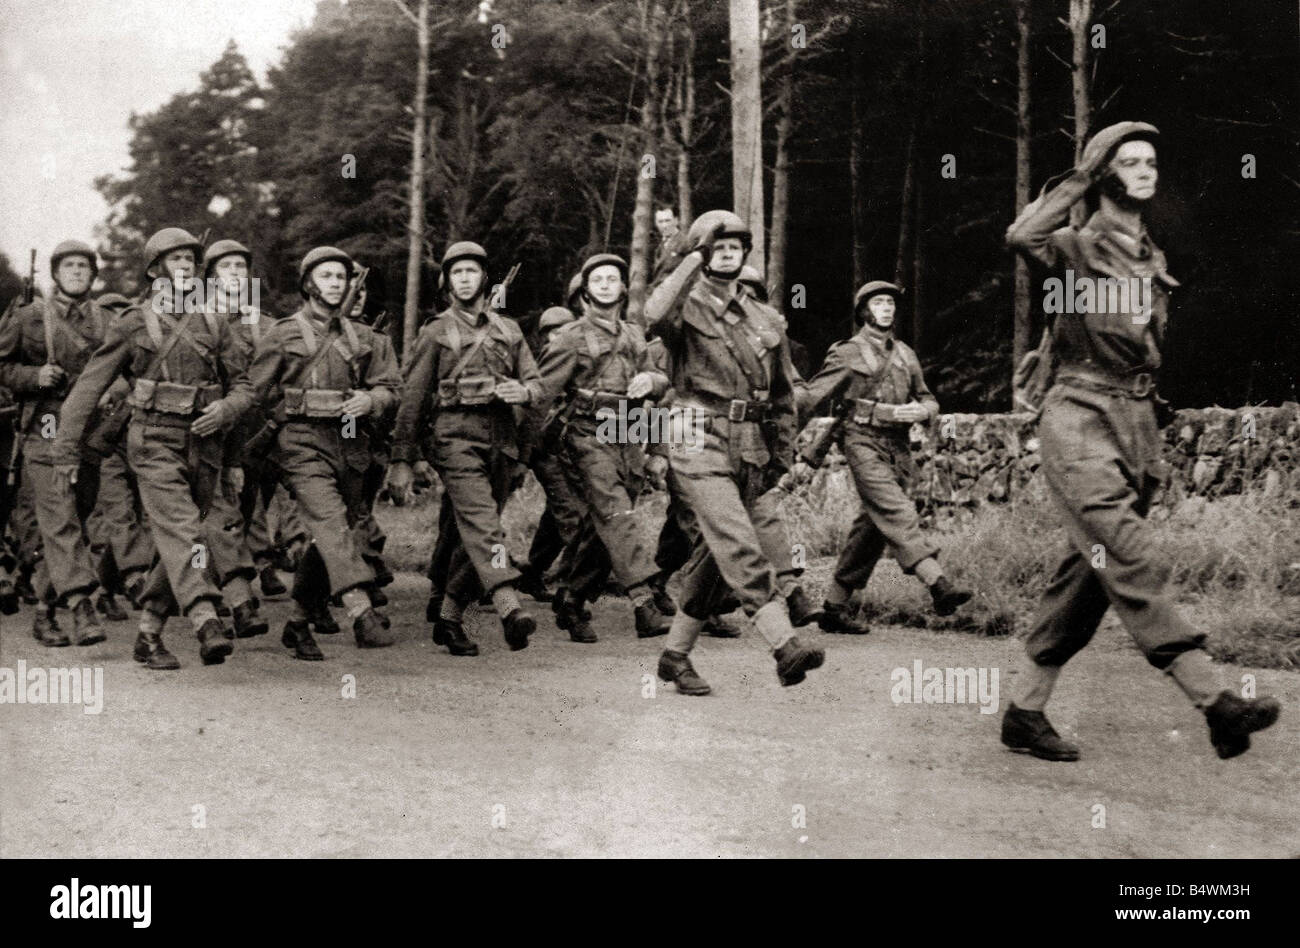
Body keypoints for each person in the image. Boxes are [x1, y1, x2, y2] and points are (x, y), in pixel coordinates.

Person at [1003, 120, 1280, 760]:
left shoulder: (1151, 257)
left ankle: (1024, 711)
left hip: (1134, 424)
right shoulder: (1071, 246)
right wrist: (1078, 174)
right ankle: (1214, 700)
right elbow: (1022, 233)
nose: (1147, 170)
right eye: (1129, 161)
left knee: (1088, 575)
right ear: (1105, 173)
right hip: (1078, 417)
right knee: (1128, 555)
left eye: (1151, 160)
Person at [54, 227, 257, 669]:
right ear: (155, 270)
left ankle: (148, 634)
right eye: (175, 260)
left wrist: (225, 410)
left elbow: (244, 386)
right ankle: (205, 617)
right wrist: (67, 451)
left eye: (190, 261)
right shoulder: (130, 322)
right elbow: (87, 390)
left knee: (184, 536)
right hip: (151, 441)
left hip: (204, 444)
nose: (185, 267)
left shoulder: (214, 322)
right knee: (184, 530)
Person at [645, 210, 825, 695]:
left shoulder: (765, 318)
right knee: (736, 538)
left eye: (734, 246)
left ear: (746, 253)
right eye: (716, 245)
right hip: (693, 432)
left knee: (712, 556)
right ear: (703, 252)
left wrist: (781, 457)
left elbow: (785, 394)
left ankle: (674, 656)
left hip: (748, 443)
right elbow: (654, 315)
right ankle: (783, 643)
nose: (726, 252)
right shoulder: (686, 308)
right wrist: (688, 256)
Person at [243, 246, 401, 659]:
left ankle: (297, 622)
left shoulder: (365, 338)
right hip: (300, 445)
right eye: (326, 276)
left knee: (329, 532)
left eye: (341, 277)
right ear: (309, 283)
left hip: (349, 444)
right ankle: (360, 611)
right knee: (331, 522)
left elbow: (391, 387)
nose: (335, 283)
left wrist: (372, 401)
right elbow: (253, 391)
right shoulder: (282, 334)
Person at [387, 241, 543, 656]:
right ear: (446, 282)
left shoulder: (509, 330)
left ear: (484, 279)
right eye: (457, 272)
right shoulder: (436, 331)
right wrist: (403, 458)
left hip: (500, 440)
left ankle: (450, 617)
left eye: (472, 271)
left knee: (468, 533)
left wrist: (523, 390)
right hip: (454, 437)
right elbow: (413, 400)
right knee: (482, 524)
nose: (465, 278)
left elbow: (539, 385)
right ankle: (509, 604)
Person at [795, 280, 972, 633]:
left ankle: (833, 607)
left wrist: (920, 412)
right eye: (878, 302)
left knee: (872, 528)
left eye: (890, 303)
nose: (886, 308)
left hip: (898, 447)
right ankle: (938, 585)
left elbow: (928, 398)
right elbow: (813, 395)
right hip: (861, 440)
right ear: (864, 311)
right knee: (896, 510)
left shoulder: (906, 353)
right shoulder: (848, 352)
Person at [534, 253, 673, 642]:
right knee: (616, 513)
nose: (607, 285)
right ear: (585, 291)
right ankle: (643, 603)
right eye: (598, 280)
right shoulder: (570, 338)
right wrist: (522, 450)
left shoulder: (634, 335)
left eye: (613, 279)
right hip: (586, 434)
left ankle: (572, 598)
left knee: (603, 525)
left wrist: (658, 447)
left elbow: (659, 388)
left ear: (624, 288)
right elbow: (541, 395)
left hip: (627, 433)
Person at [0, 240, 111, 646]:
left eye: (85, 266)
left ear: (93, 275)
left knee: (71, 522)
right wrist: (34, 378)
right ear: (56, 273)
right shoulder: (29, 317)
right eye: (70, 265)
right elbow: (3, 365)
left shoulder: (106, 320)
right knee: (59, 516)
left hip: (89, 431)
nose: (78, 271)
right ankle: (83, 606)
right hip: (45, 423)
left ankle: (45, 611)